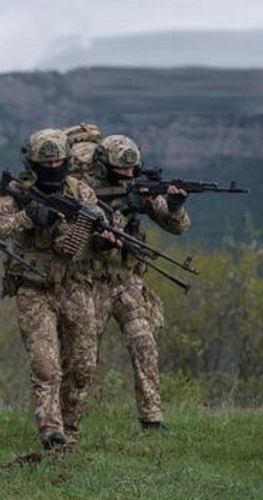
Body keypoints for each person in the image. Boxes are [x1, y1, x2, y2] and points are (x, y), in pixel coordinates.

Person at [0, 128, 109, 449]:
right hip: (33, 287)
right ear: (33, 163)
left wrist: (103, 238)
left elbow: (97, 235)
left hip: (76, 286)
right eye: (45, 163)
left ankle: (71, 428)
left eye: (58, 162)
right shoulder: (16, 192)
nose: (52, 168)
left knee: (83, 366)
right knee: (45, 365)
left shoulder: (81, 192)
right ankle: (51, 432)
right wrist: (28, 217)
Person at [88, 134, 190, 431]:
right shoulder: (87, 193)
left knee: (144, 344)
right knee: (82, 355)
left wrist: (174, 206)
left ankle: (152, 420)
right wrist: (122, 210)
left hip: (129, 281)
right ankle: (67, 421)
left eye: (132, 169)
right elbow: (95, 234)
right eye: (121, 169)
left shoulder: (138, 189)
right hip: (93, 282)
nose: (128, 175)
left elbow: (178, 228)